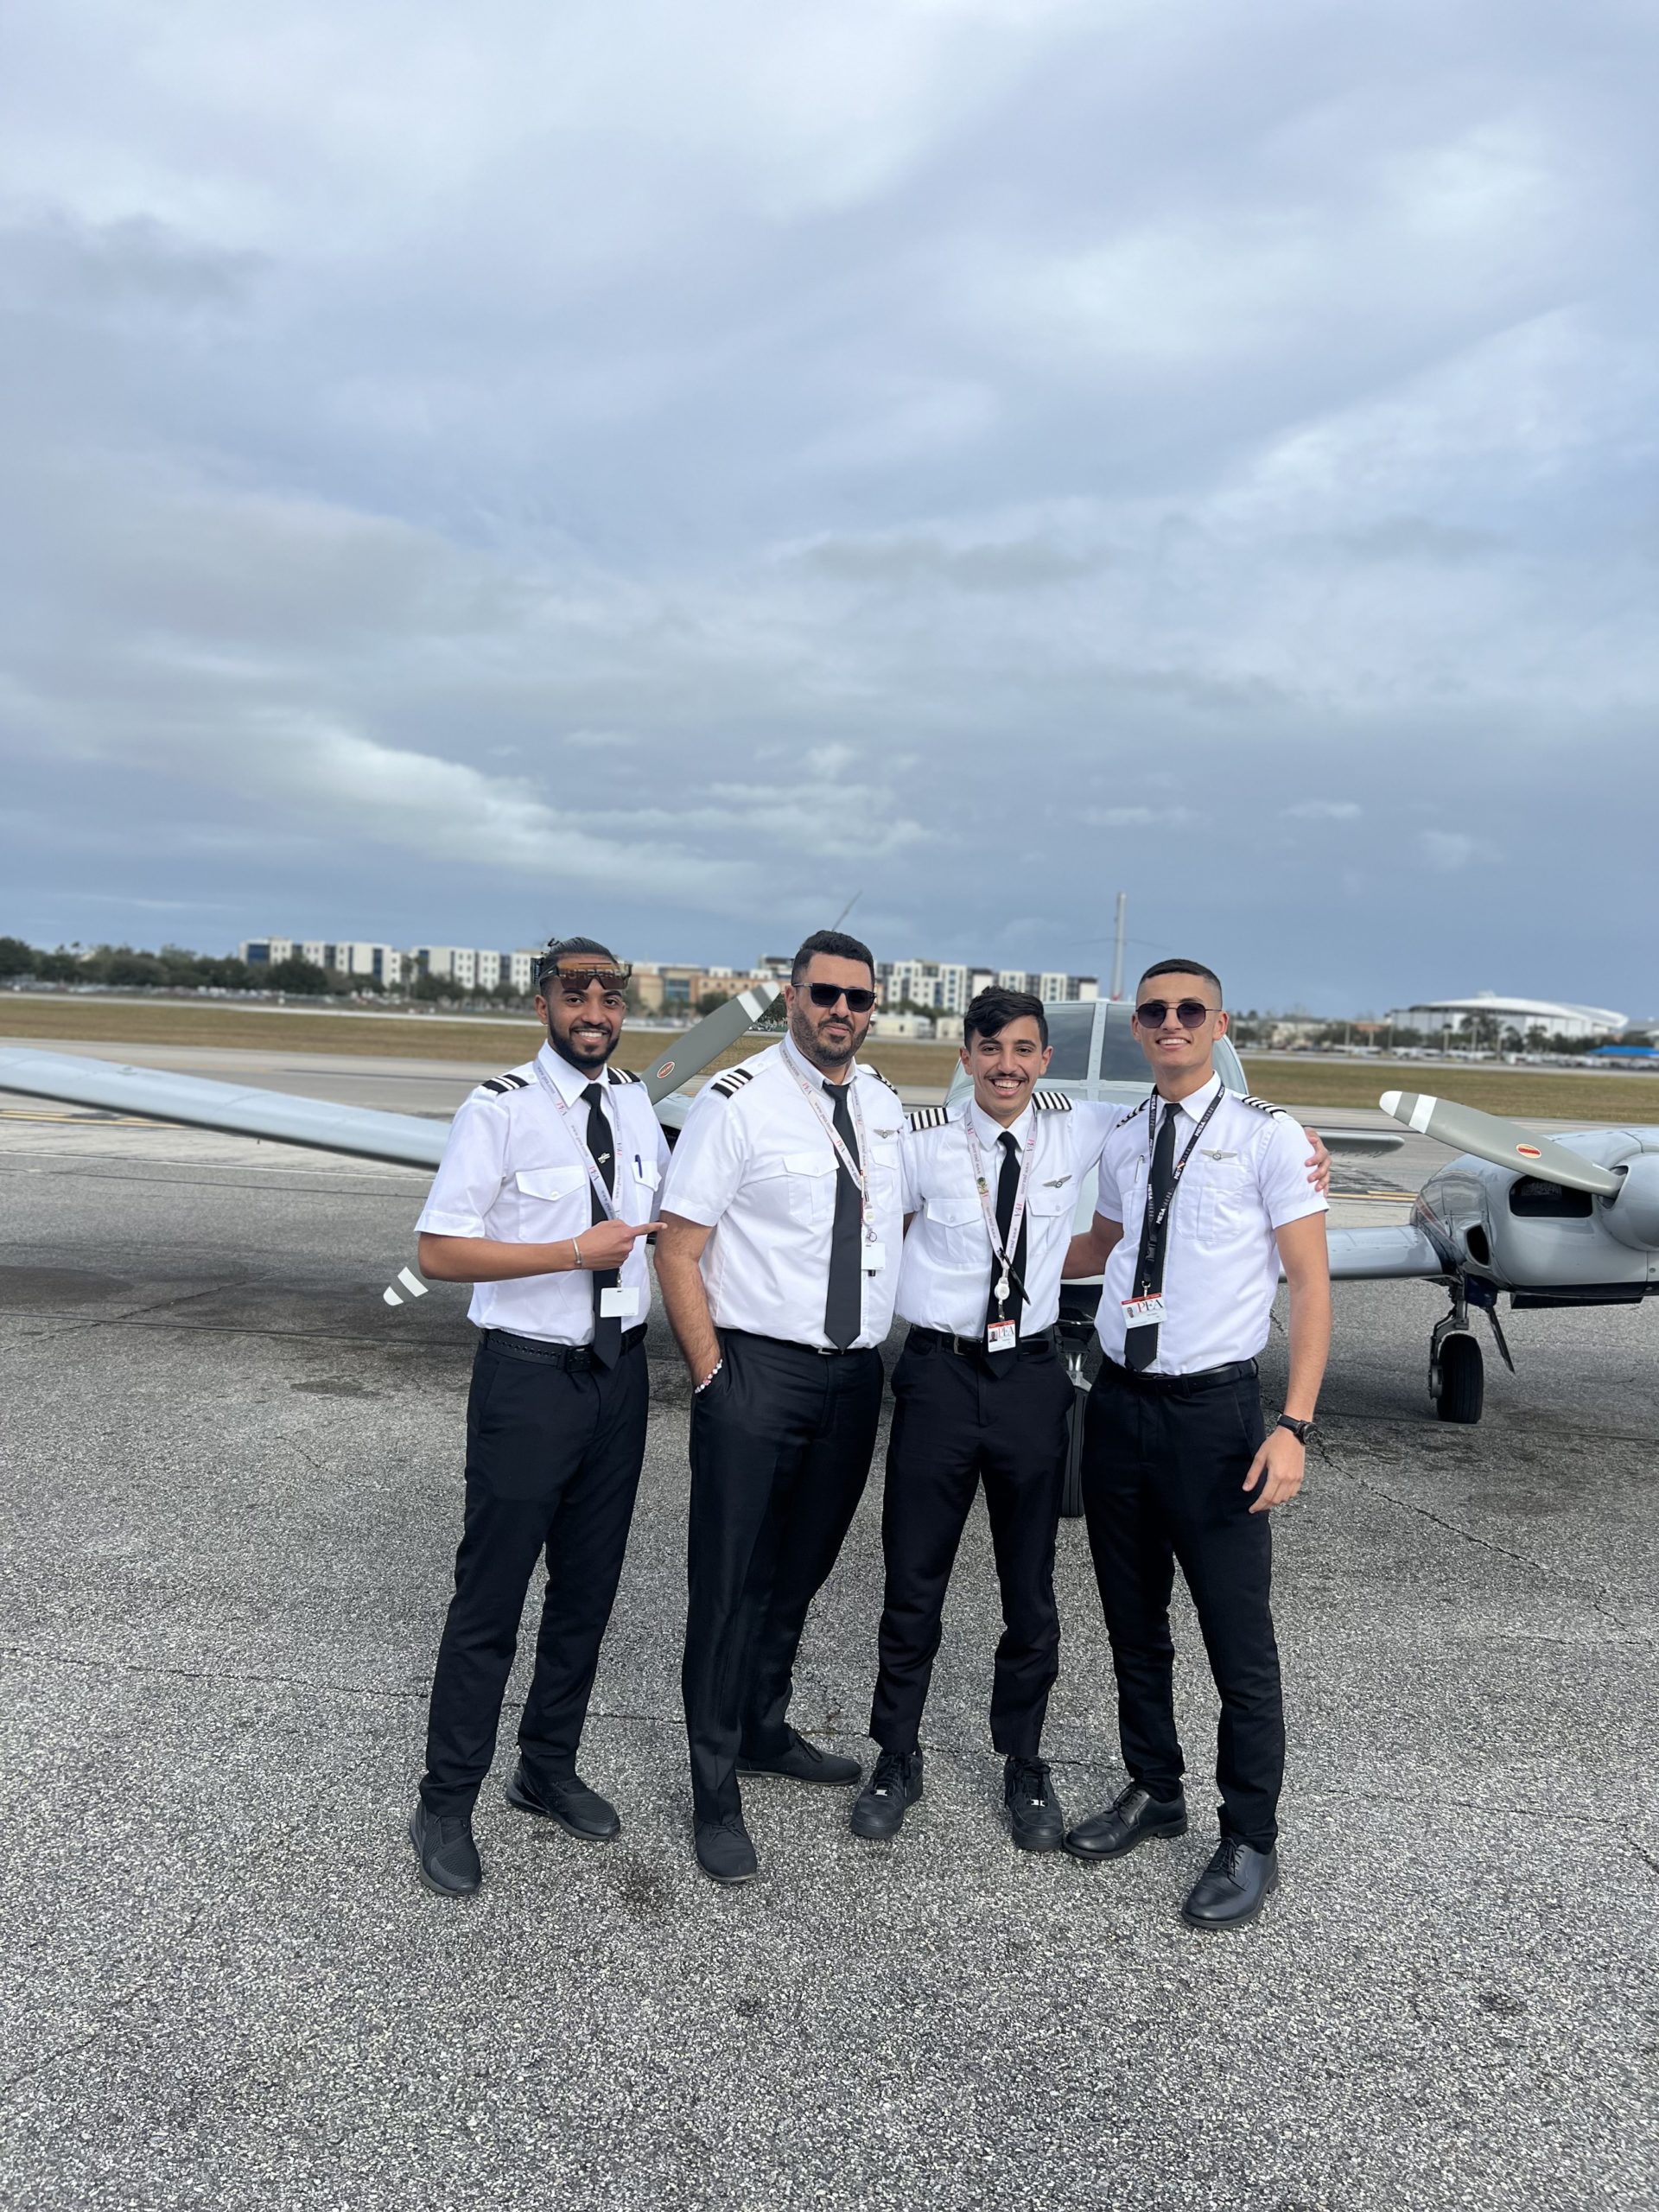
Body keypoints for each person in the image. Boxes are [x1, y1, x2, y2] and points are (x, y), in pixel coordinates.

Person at [854, 988, 1329, 1854]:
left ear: (1044, 1060)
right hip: (944, 1378)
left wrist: (1303, 1147)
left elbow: (1209, 1137)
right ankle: (897, 1753)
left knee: (1037, 1593)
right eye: (991, 1048)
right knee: (917, 1582)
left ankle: (1034, 1765)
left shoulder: (1103, 1125)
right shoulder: (925, 1137)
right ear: (965, 1056)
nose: (1008, 1064)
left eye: (1026, 1049)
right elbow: (861, 1203)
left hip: (1051, 1380)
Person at [1064, 959, 1331, 1930]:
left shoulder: (1273, 1138)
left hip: (1216, 1419)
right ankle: (1154, 1786)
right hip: (1120, 1406)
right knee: (1134, 1625)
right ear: (1137, 1027)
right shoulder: (1127, 1137)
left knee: (1238, 1644)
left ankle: (1250, 1834)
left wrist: (1293, 1426)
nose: (1169, 1023)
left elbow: (1310, 1284)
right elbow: (1096, 1245)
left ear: (1218, 1023)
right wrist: (971, 1252)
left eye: (1187, 1010)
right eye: (1153, 1011)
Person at [405, 937, 667, 1897]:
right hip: (528, 1380)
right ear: (542, 1004)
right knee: (492, 1598)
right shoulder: (500, 1109)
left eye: (610, 991)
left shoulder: (636, 1101)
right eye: (575, 991)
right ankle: (445, 1800)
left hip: (620, 1377)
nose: (594, 1006)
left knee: (587, 1591)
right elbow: (439, 1252)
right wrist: (569, 1250)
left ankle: (545, 1766)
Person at [654, 929, 905, 1885]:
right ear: (794, 998)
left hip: (851, 1378)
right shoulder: (740, 1102)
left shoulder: (881, 1107)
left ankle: (762, 1727)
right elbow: (678, 1248)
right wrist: (715, 1376)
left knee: (798, 1574)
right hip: (757, 1371)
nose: (841, 1011)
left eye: (858, 998)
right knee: (726, 1586)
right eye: (825, 993)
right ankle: (714, 1789)